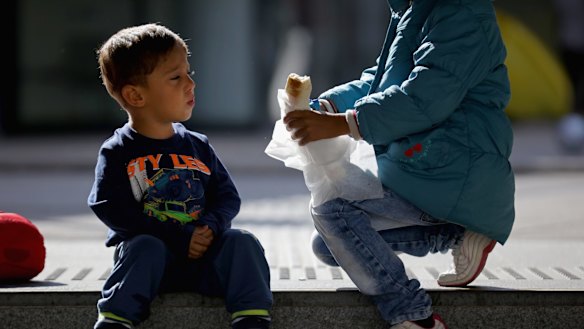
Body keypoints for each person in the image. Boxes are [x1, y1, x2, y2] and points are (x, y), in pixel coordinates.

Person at [283, 0, 515, 328]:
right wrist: (330, 104)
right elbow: (381, 81)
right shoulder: (413, 9)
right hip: (425, 166)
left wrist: (343, 124)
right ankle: (454, 231)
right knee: (329, 244)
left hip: (455, 171)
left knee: (332, 209)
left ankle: (413, 314)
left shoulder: (462, 15)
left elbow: (422, 97)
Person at [88, 23, 272, 329]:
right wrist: (178, 236)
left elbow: (227, 197)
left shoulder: (197, 145)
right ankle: (115, 320)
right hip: (150, 267)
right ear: (135, 95)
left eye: (189, 73)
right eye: (176, 77)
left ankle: (252, 317)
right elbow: (110, 207)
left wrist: (211, 227)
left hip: (204, 260)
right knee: (143, 247)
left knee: (243, 242)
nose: (190, 83)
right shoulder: (118, 150)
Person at [553, 0, 584, 153]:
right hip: (570, 43)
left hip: (570, 41)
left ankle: (574, 120)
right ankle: (573, 117)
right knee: (571, 87)